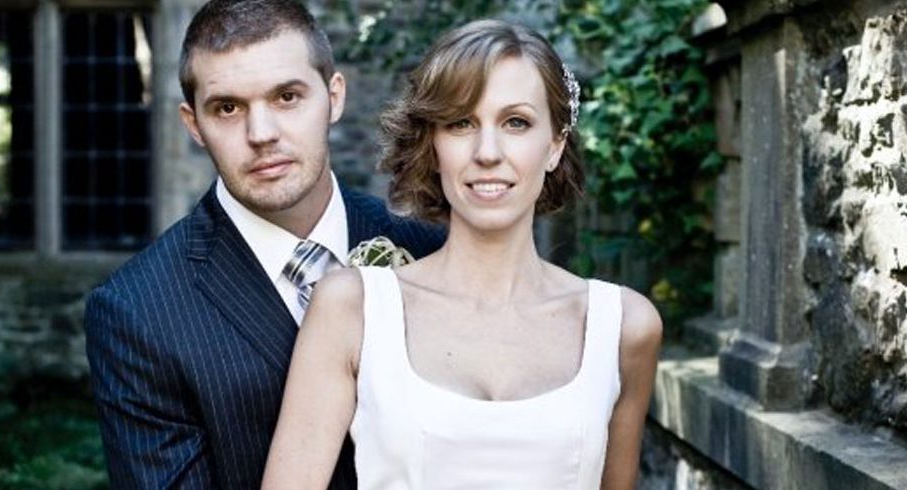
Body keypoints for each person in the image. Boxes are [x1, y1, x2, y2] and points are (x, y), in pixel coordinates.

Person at [262, 19, 663, 489]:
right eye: (460, 123)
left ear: (554, 145)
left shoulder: (624, 326)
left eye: (516, 123)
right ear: (433, 144)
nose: (487, 151)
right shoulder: (354, 307)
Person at [84, 1, 444, 488]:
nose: (261, 134)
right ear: (194, 125)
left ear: (334, 97)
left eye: (287, 97)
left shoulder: (429, 250)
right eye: (227, 108)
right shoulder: (138, 312)